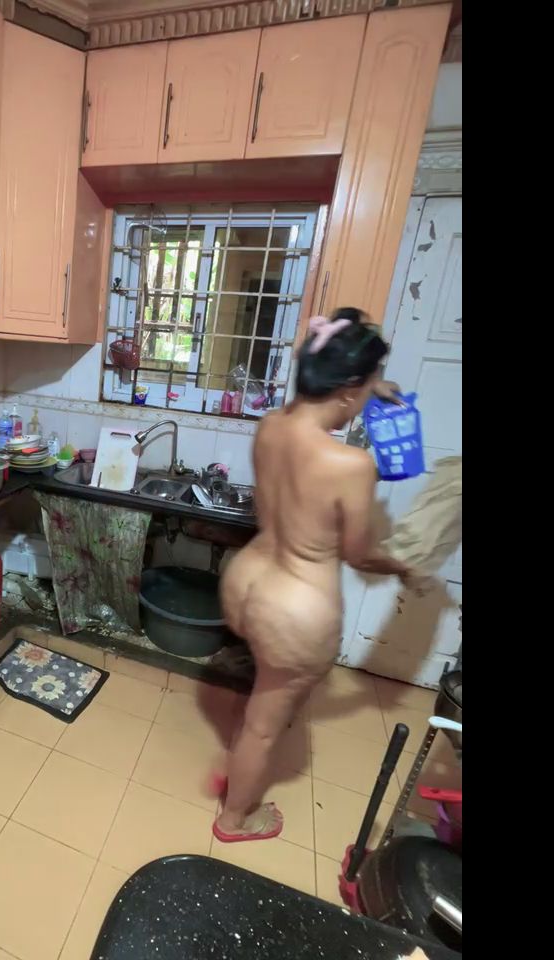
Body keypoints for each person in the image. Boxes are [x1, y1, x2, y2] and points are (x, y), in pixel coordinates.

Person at [213, 307, 421, 842]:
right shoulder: (350, 464)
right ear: (349, 391)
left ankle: (237, 767)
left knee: (261, 691)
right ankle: (236, 818)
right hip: (295, 608)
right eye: (368, 385)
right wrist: (400, 566)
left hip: (247, 580)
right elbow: (358, 554)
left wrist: (372, 386)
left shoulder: (272, 424)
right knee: (265, 725)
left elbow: (322, 400)